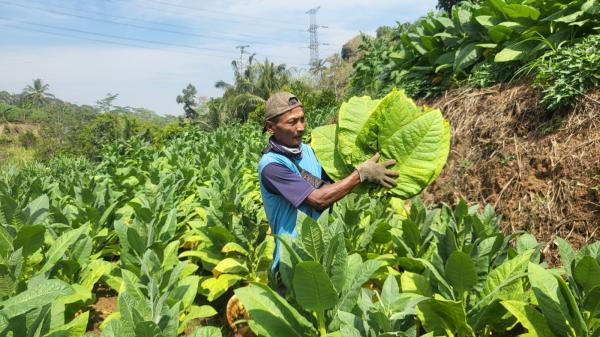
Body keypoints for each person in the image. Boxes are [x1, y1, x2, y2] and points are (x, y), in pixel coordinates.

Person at [258, 91, 399, 271]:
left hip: (322, 253)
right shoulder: (271, 165)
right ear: (271, 127)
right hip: (292, 262)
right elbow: (319, 199)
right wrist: (361, 174)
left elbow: (333, 184)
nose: (300, 127)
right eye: (292, 122)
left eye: (302, 119)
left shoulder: (310, 151)